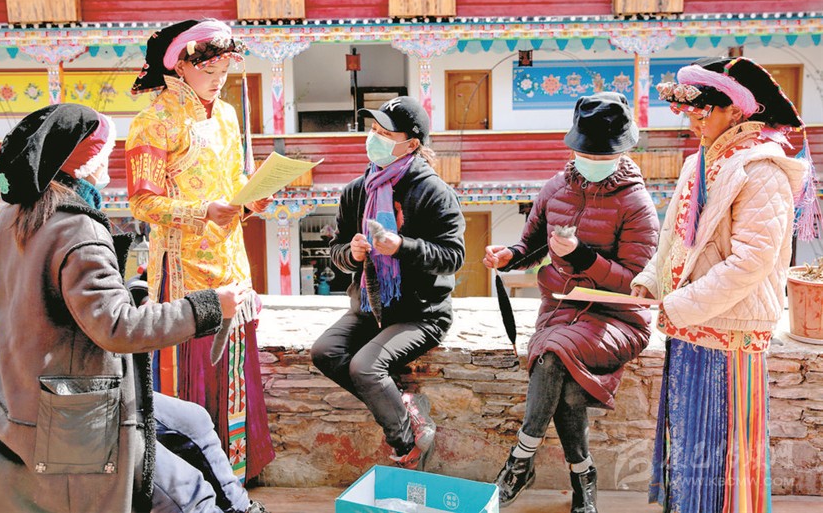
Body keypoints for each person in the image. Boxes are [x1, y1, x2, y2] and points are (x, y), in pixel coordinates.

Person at [0, 103, 267, 513]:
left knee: (194, 421)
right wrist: (210, 305)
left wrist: (127, 291)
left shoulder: (12, 219)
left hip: (26, 390)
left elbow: (58, 303)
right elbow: (118, 328)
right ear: (83, 159)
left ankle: (241, 507)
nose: (110, 163)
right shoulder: (77, 228)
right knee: (189, 495)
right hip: (78, 409)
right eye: (107, 153)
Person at [633, 57, 818, 513]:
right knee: (690, 446)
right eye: (690, 112)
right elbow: (675, 237)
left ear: (736, 110)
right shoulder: (701, 162)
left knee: (722, 456)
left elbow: (750, 262)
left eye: (704, 111)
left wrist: (682, 304)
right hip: (690, 324)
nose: (694, 121)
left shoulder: (762, 170)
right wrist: (651, 281)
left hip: (730, 333)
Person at [484, 92, 659, 511]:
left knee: (553, 353)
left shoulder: (636, 204)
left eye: (601, 154)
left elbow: (636, 285)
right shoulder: (555, 188)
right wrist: (509, 256)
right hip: (561, 308)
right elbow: (530, 246)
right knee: (566, 388)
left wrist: (581, 256)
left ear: (621, 152)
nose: (591, 159)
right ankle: (583, 477)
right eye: (585, 152)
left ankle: (521, 459)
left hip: (618, 317)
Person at [126, 19, 274, 486]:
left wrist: (251, 200)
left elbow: (234, 186)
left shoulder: (227, 116)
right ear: (179, 66)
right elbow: (142, 203)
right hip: (182, 270)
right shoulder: (153, 122)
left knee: (233, 370)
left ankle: (235, 473)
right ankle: (186, 478)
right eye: (209, 69)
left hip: (231, 263)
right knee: (186, 374)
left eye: (224, 69)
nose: (218, 79)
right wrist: (201, 211)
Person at [310, 96, 466, 470]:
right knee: (325, 352)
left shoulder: (433, 191)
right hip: (370, 306)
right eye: (373, 130)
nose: (374, 138)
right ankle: (405, 404)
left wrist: (402, 247)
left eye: (385, 133)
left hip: (421, 312)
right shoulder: (356, 190)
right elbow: (336, 250)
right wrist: (352, 254)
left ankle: (406, 442)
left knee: (365, 367)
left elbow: (453, 256)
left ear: (411, 145)